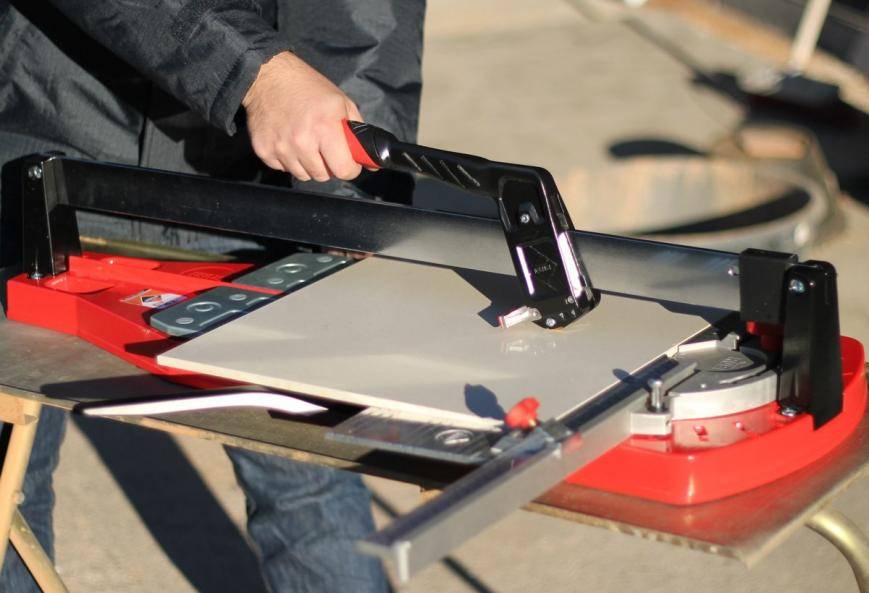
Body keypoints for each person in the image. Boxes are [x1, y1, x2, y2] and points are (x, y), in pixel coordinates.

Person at [0, 1, 426, 591]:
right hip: (43, 131)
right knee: (7, 479)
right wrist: (257, 75)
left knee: (304, 478)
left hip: (243, 186)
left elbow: (364, 17)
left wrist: (350, 197)